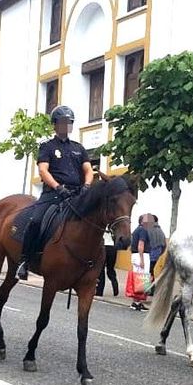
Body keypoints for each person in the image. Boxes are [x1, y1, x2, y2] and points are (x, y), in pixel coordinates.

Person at [16, 105, 93, 280]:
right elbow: (43, 171)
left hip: (76, 194)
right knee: (35, 221)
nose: (66, 125)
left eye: (69, 122)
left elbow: (88, 170)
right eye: (62, 122)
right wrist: (58, 187)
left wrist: (87, 185)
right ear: (55, 125)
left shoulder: (79, 148)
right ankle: (25, 260)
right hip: (53, 194)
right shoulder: (47, 147)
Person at [128, 214, 152, 311]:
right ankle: (138, 302)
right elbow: (141, 244)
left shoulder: (136, 230)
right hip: (142, 255)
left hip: (135, 255)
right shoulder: (143, 230)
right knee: (142, 279)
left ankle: (136, 301)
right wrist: (142, 259)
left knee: (138, 278)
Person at [95, 228, 119, 297]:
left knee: (101, 270)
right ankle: (115, 289)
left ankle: (100, 291)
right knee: (111, 269)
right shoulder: (112, 228)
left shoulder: (102, 226)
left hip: (103, 247)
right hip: (112, 248)